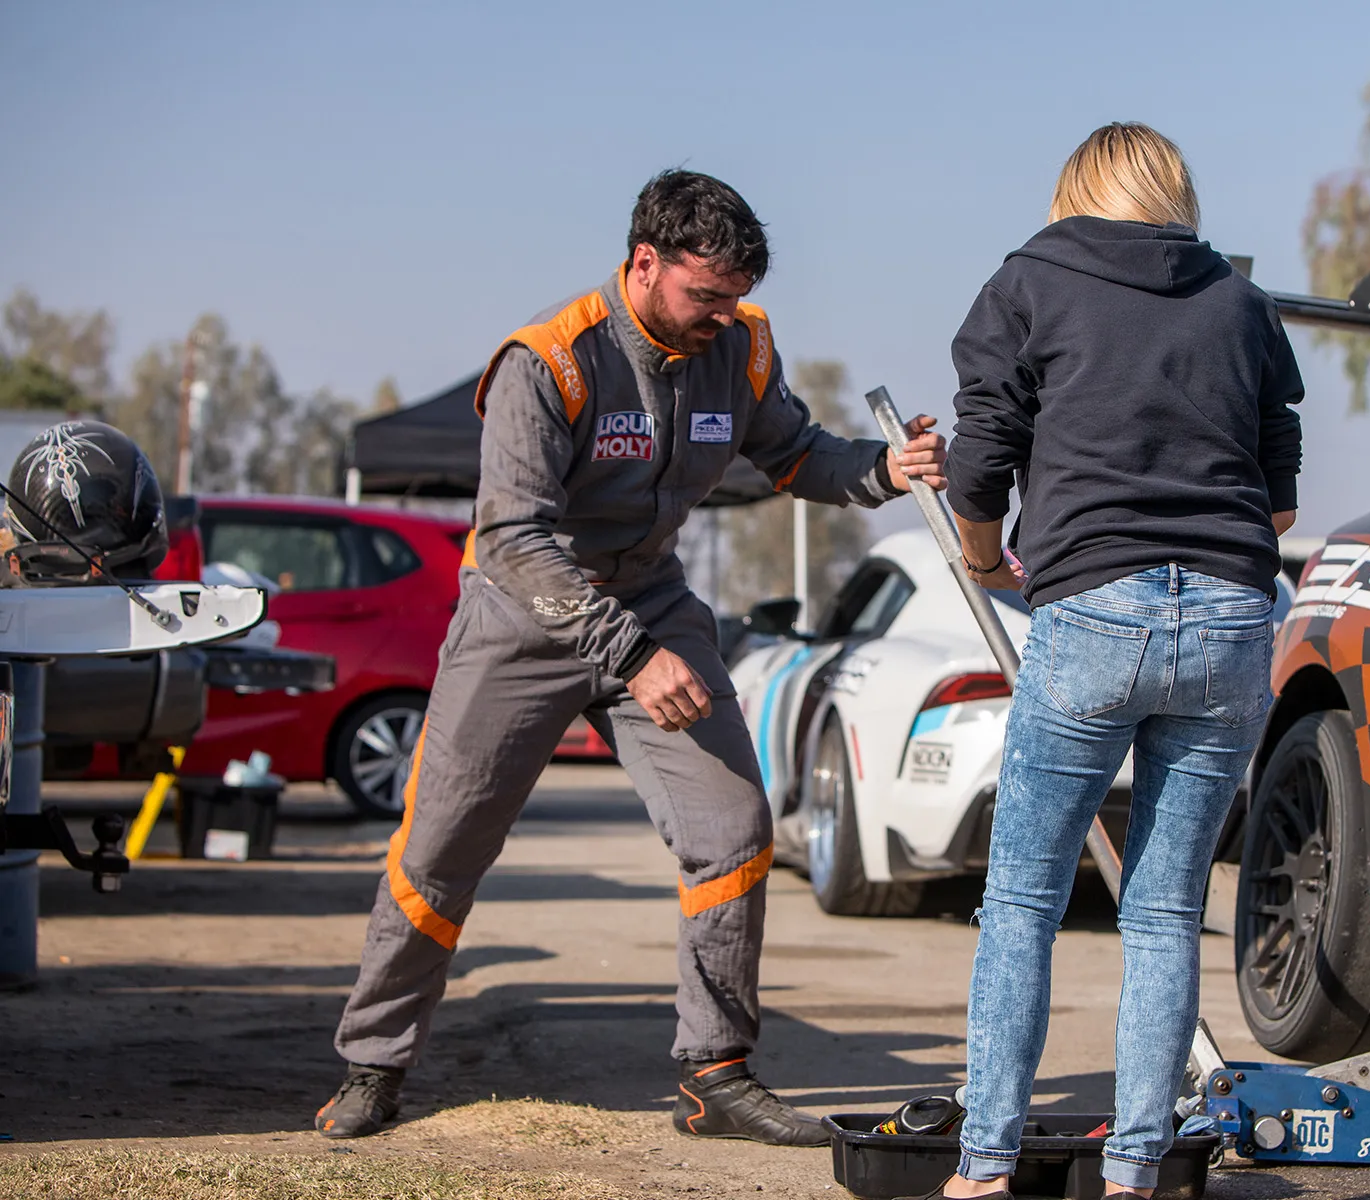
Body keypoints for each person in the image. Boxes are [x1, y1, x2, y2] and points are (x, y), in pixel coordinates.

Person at [315, 169, 947, 1146]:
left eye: (734, 300)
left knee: (732, 826)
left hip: (648, 594)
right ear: (642, 263)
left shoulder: (738, 346)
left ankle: (717, 1074)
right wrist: (631, 653)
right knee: (439, 853)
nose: (721, 318)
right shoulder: (549, 360)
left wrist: (880, 471)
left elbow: (793, 455)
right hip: (521, 614)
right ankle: (375, 1062)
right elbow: (516, 540)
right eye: (704, 297)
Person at [923, 123, 1303, 1199]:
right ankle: (1137, 1172)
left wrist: (985, 556)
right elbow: (1279, 484)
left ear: (1076, 191)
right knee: (1164, 911)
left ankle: (987, 1165)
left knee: (1024, 900)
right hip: (1233, 613)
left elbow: (982, 449)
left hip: (1092, 604)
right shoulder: (1239, 300)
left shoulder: (1030, 281)